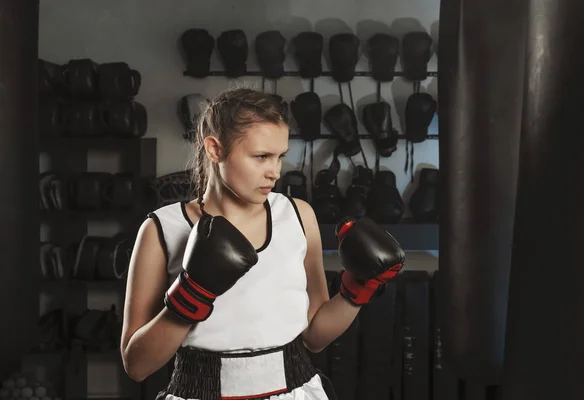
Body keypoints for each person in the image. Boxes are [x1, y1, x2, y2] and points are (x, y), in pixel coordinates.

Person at [119, 88, 405, 400]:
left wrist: (357, 290)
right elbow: (137, 365)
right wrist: (191, 295)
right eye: (261, 157)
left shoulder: (297, 215)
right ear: (214, 149)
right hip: (200, 390)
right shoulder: (163, 228)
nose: (275, 172)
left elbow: (314, 337)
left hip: (295, 389)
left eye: (280, 156)